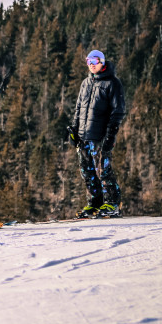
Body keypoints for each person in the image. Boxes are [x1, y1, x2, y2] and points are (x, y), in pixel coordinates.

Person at [68, 50, 126, 218]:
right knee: (87, 171)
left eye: (95, 60)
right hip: (84, 136)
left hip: (101, 136)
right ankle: (95, 202)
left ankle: (112, 202)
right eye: (88, 61)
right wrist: (74, 130)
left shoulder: (112, 83)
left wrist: (111, 134)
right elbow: (79, 109)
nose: (91, 64)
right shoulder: (85, 83)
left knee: (103, 170)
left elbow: (118, 111)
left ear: (102, 62)